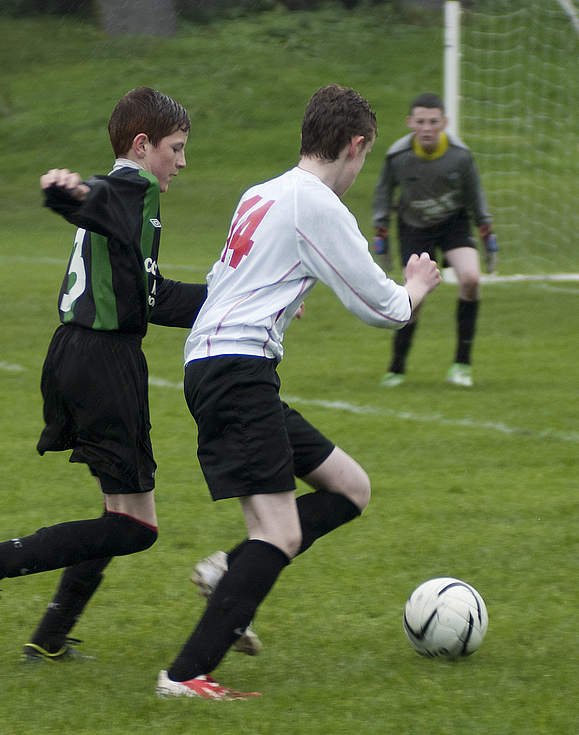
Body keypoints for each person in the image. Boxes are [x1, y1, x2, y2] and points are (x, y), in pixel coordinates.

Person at [155, 84, 441, 700]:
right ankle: (186, 677)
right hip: (237, 371)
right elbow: (386, 309)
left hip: (222, 364)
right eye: (363, 158)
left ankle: (229, 571)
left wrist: (281, 301)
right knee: (279, 533)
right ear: (356, 145)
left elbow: (224, 279)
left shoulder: (262, 191)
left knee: (350, 487)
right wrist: (417, 283)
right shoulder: (316, 203)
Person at [0, 87, 207, 661]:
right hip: (105, 363)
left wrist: (242, 298)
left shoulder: (130, 196)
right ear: (143, 145)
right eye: (176, 149)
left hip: (76, 354)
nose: (182, 163)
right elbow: (99, 200)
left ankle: (50, 639)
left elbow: (153, 298)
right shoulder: (132, 188)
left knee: (117, 514)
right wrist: (72, 195)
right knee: (137, 527)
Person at [371, 92, 495, 388]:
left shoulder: (460, 155)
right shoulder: (398, 157)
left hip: (453, 222)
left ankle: (462, 365)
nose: (427, 128)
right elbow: (383, 194)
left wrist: (485, 228)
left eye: (433, 122)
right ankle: (396, 368)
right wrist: (381, 231)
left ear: (445, 123)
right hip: (414, 227)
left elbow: (475, 194)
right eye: (421, 122)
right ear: (410, 123)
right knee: (415, 297)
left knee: (471, 278)